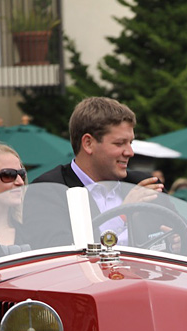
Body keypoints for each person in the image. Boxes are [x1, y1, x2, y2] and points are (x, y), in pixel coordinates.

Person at [29, 97, 168, 248]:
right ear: (88, 143)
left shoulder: (145, 185)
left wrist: (185, 243)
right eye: (119, 143)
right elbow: (59, 256)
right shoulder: (48, 190)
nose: (130, 152)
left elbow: (186, 237)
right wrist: (122, 215)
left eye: (130, 143)